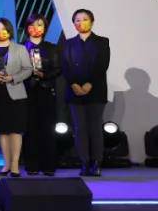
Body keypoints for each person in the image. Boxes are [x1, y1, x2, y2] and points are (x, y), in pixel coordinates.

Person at [60, 9, 110, 177]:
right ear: (74, 24)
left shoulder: (102, 42)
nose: (81, 23)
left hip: (96, 91)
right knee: (80, 128)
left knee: (95, 127)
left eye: (85, 19)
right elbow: (65, 66)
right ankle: (84, 162)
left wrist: (89, 83)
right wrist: (74, 84)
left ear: (92, 21)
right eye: (77, 20)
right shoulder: (68, 43)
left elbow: (102, 65)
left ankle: (96, 162)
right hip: (74, 91)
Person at [0, 18, 33, 177]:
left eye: (3, 29)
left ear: (9, 31)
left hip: (16, 94)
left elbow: (28, 69)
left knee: (15, 130)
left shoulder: (20, 48)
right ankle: (6, 165)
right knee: (3, 131)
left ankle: (15, 165)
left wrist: (13, 77)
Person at [21, 13, 61, 176]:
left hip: (46, 91)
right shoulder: (21, 48)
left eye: (39, 25)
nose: (35, 28)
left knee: (47, 129)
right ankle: (31, 164)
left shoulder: (52, 48)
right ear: (27, 28)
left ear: (44, 28)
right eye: (32, 25)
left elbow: (58, 69)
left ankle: (48, 165)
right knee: (30, 129)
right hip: (26, 92)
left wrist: (45, 75)